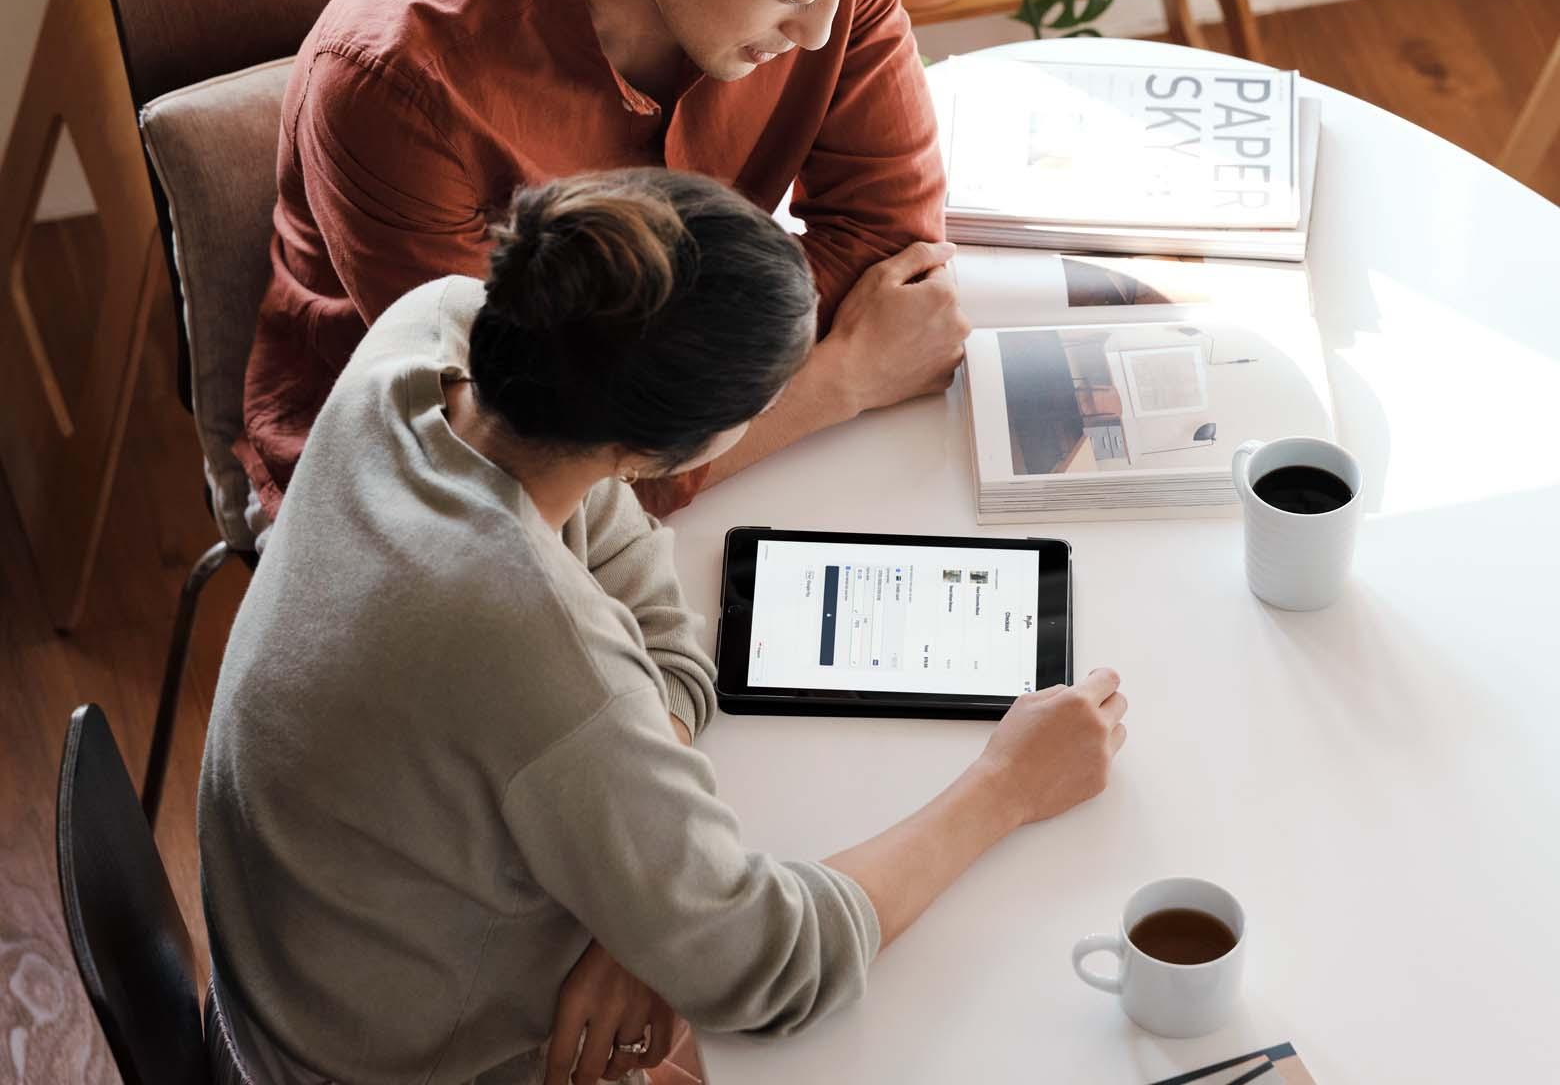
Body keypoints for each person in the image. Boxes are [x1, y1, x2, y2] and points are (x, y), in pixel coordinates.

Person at [199, 170, 1129, 1085]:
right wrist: (1008, 785)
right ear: (658, 453)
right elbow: (774, 968)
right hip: (381, 1060)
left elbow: (638, 581)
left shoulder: (434, 336)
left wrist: (638, 901)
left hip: (298, 969)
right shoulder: (529, 640)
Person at [237, 0, 971, 532]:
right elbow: (520, 461)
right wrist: (841, 380)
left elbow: (896, 250)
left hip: (643, 461)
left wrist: (674, 381)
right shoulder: (398, 86)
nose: (818, 35)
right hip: (412, 489)